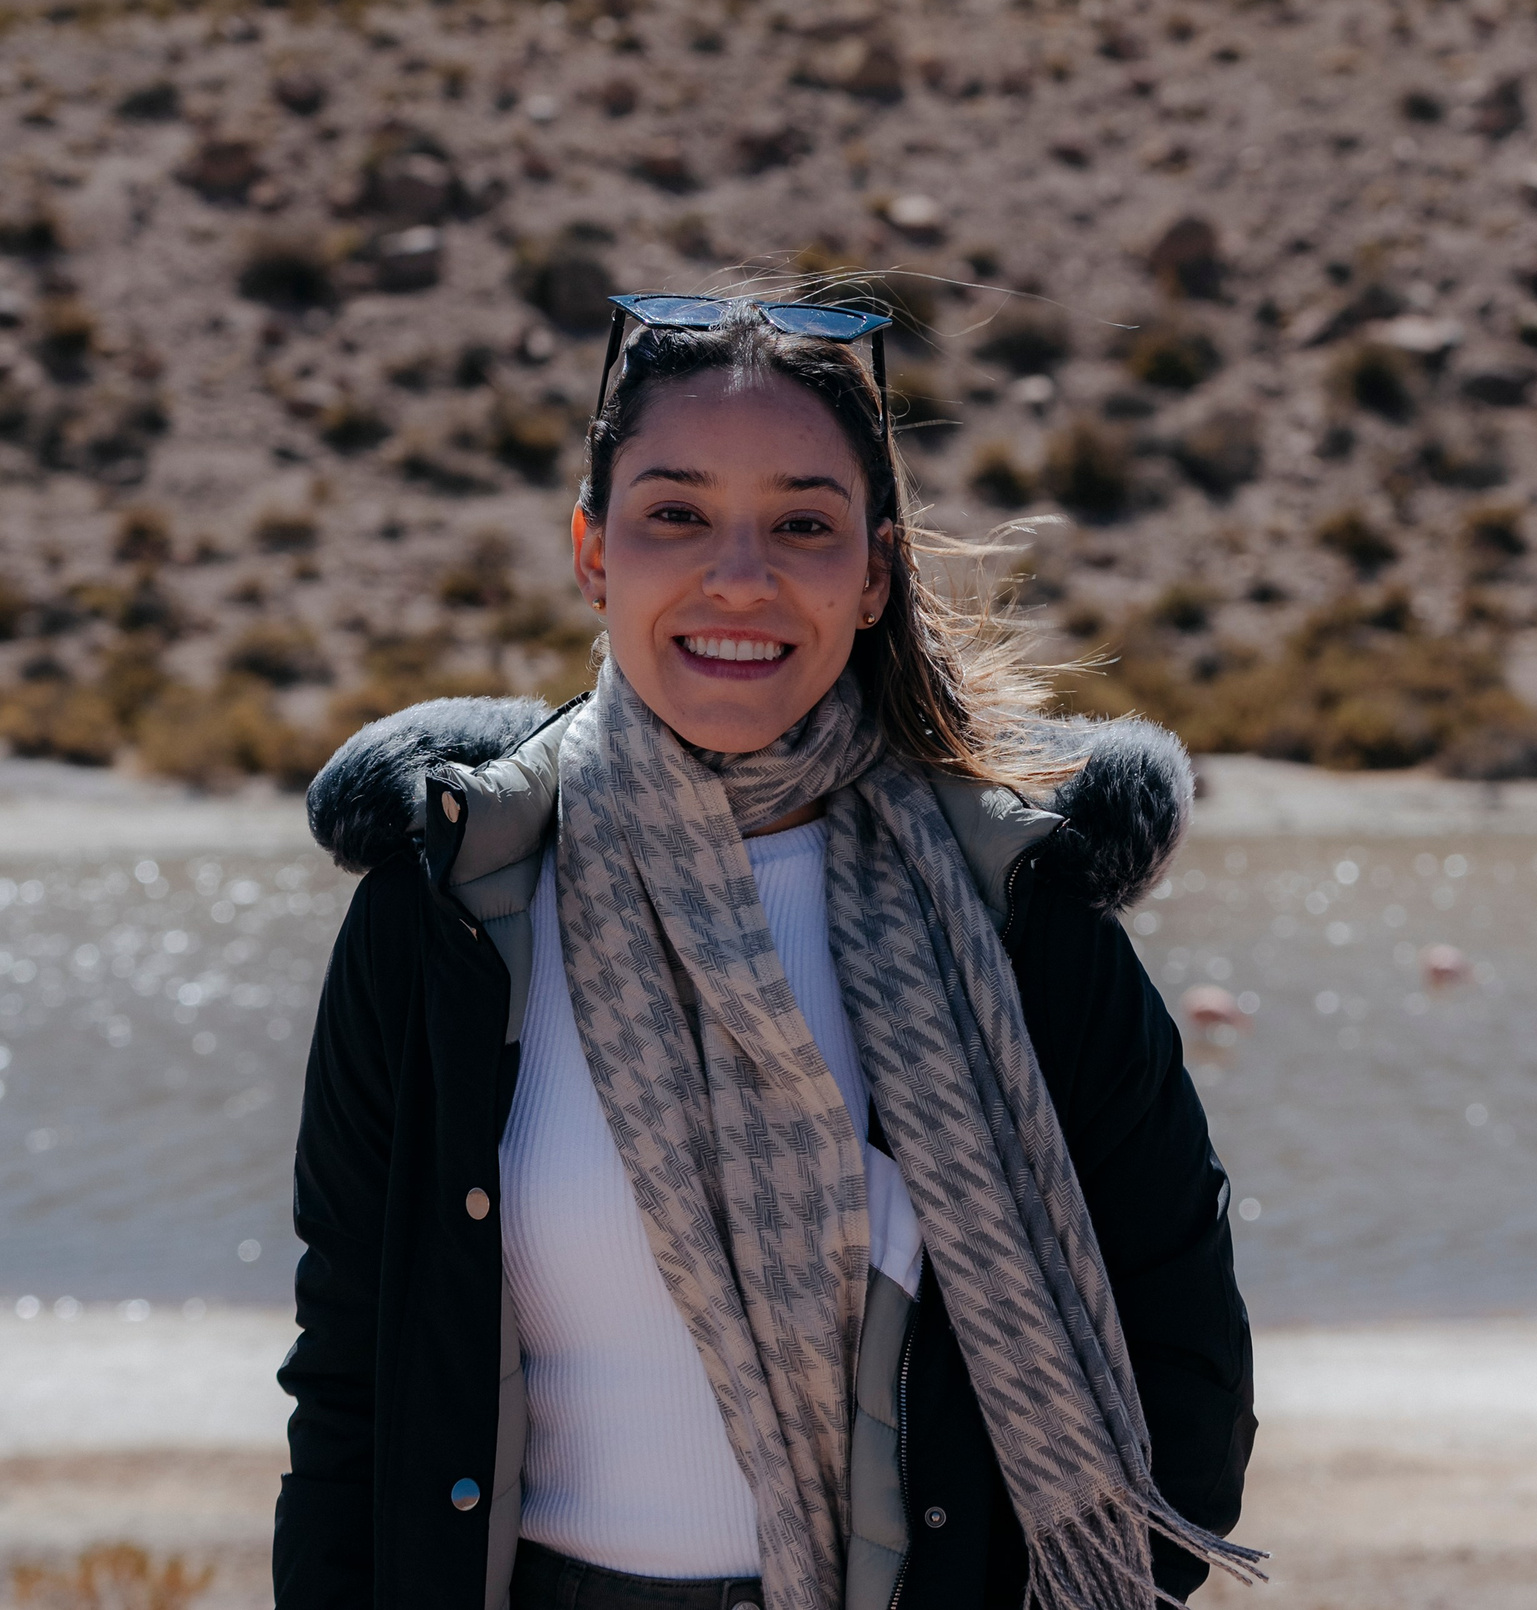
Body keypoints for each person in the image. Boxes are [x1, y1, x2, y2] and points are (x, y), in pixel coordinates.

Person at [275, 297, 1259, 1610]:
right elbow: (352, 1375)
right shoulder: (448, 908)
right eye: (674, 513)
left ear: (874, 572)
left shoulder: (1020, 917)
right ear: (591, 553)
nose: (739, 575)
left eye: (803, 522)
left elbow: (1185, 1362)